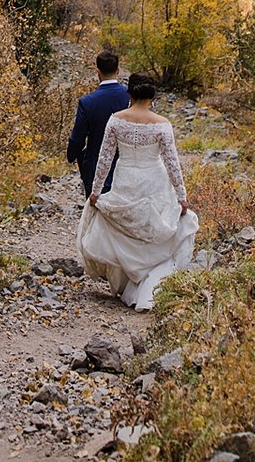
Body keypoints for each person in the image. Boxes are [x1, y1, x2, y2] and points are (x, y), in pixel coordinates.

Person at [76, 73, 199, 312]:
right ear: (153, 95)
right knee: (152, 232)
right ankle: (147, 284)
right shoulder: (162, 124)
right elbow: (172, 163)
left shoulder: (116, 120)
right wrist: (181, 196)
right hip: (154, 181)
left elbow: (105, 158)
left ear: (129, 94)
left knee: (129, 230)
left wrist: (96, 191)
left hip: (125, 179)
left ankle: (131, 282)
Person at [66, 50, 130, 197]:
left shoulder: (87, 102)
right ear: (118, 71)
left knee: (97, 213)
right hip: (127, 163)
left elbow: (78, 137)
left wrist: (73, 155)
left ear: (97, 72)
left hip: (96, 165)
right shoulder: (130, 96)